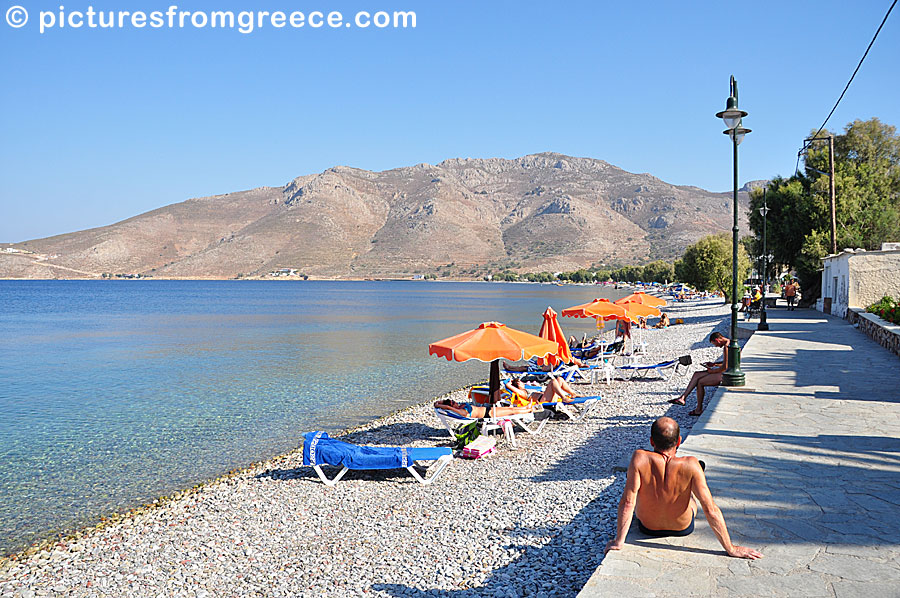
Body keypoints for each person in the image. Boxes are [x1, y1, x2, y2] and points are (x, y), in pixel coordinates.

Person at [604, 417, 762, 559]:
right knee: (692, 496)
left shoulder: (639, 458)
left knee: (639, 491)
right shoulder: (691, 464)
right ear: (679, 441)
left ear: (652, 441)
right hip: (682, 527)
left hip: (648, 528)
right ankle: (694, 477)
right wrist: (730, 548)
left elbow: (627, 503)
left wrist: (619, 541)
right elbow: (710, 509)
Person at [668, 332, 728, 415]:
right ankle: (683, 397)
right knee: (697, 374)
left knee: (700, 382)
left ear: (717, 340)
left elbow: (725, 367)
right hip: (724, 371)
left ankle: (698, 409)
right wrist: (714, 364)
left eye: (715, 344)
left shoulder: (727, 347)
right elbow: (728, 362)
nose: (716, 346)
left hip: (726, 374)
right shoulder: (729, 343)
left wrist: (712, 371)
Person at [433, 399, 541, 418]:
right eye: (453, 403)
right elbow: (446, 406)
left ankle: (526, 407)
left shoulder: (459, 407)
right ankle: (528, 410)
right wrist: (441, 406)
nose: (456, 402)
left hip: (488, 410)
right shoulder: (460, 411)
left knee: (510, 409)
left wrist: (439, 403)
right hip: (488, 415)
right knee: (511, 411)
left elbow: (439, 403)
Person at [506, 376, 579, 405]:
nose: (522, 382)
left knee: (559, 379)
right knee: (553, 381)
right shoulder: (521, 392)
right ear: (518, 384)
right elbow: (508, 385)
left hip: (546, 396)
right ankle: (564, 398)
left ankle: (573, 393)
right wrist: (509, 383)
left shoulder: (526, 389)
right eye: (520, 381)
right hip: (543, 400)